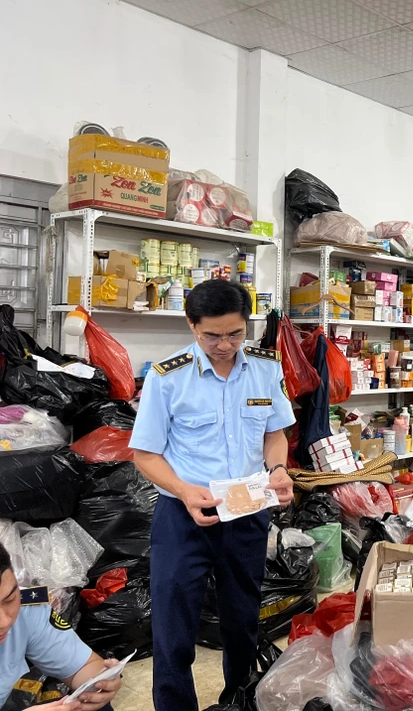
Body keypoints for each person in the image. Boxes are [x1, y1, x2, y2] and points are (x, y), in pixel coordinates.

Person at [129, 279, 295, 711]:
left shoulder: (265, 367)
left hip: (247, 510)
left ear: (247, 325)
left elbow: (274, 434)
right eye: (212, 335)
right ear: (192, 325)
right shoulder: (168, 377)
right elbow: (145, 455)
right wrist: (184, 491)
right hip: (184, 516)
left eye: (235, 334)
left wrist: (277, 469)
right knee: (174, 625)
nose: (224, 345)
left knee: (242, 620)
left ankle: (239, 700)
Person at [0, 542, 122, 710]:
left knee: (91, 704)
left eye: (9, 599)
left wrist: (99, 682)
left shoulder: (26, 609)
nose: (5, 622)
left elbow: (82, 667)